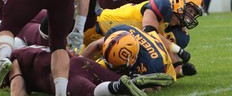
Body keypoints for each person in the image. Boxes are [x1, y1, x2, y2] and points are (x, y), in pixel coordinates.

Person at [84, 0, 204, 71]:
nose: (191, 16)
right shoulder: (163, 4)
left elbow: (166, 57)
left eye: (194, 14)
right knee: (73, 62)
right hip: (94, 26)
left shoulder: (179, 34)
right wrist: (178, 51)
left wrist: (181, 69)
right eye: (190, 10)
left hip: (118, 41)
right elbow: (149, 33)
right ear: (178, 1)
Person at [9, 45, 173, 96]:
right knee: (114, 78)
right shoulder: (34, 46)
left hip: (64, 76)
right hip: (79, 62)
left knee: (92, 92)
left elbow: (18, 93)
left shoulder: (15, 59)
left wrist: (13, 77)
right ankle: (138, 82)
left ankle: (118, 87)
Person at [82, 26, 178, 85]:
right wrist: (79, 59)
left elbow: (156, 87)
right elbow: (97, 45)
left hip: (163, 63)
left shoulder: (152, 64)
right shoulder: (121, 32)